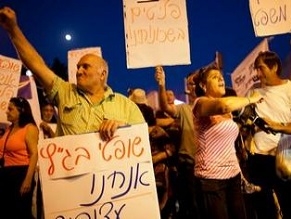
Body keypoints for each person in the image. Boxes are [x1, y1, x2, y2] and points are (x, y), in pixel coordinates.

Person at [0, 6, 145, 141]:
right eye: (78, 67)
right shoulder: (65, 92)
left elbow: (141, 140)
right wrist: (13, 30)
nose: (79, 71)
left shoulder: (126, 106)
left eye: (85, 67)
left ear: (102, 74)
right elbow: (36, 65)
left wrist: (122, 127)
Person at [192, 64, 262, 219]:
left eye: (221, 76)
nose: (221, 79)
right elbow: (223, 105)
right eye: (214, 77)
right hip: (211, 180)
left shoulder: (228, 112)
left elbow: (229, 146)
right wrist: (251, 98)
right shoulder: (200, 104)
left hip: (233, 176)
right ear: (203, 86)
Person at [245, 51, 291, 219]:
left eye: (261, 68)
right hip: (258, 159)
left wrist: (277, 126)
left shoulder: (289, 89)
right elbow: (245, 122)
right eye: (256, 69)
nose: (257, 73)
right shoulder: (253, 93)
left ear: (275, 67)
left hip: (285, 157)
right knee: (264, 209)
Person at [155, 66, 201, 219]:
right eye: (190, 84)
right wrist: (162, 84)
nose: (192, 87)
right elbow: (165, 107)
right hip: (189, 164)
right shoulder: (184, 109)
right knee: (193, 207)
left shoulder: (214, 107)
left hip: (211, 165)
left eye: (195, 83)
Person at [0, 97, 39, 219]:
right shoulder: (9, 128)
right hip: (6, 174)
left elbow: (34, 154)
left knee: (20, 212)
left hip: (21, 174)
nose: (7, 111)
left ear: (21, 110)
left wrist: (27, 180)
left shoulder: (30, 128)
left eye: (11, 109)